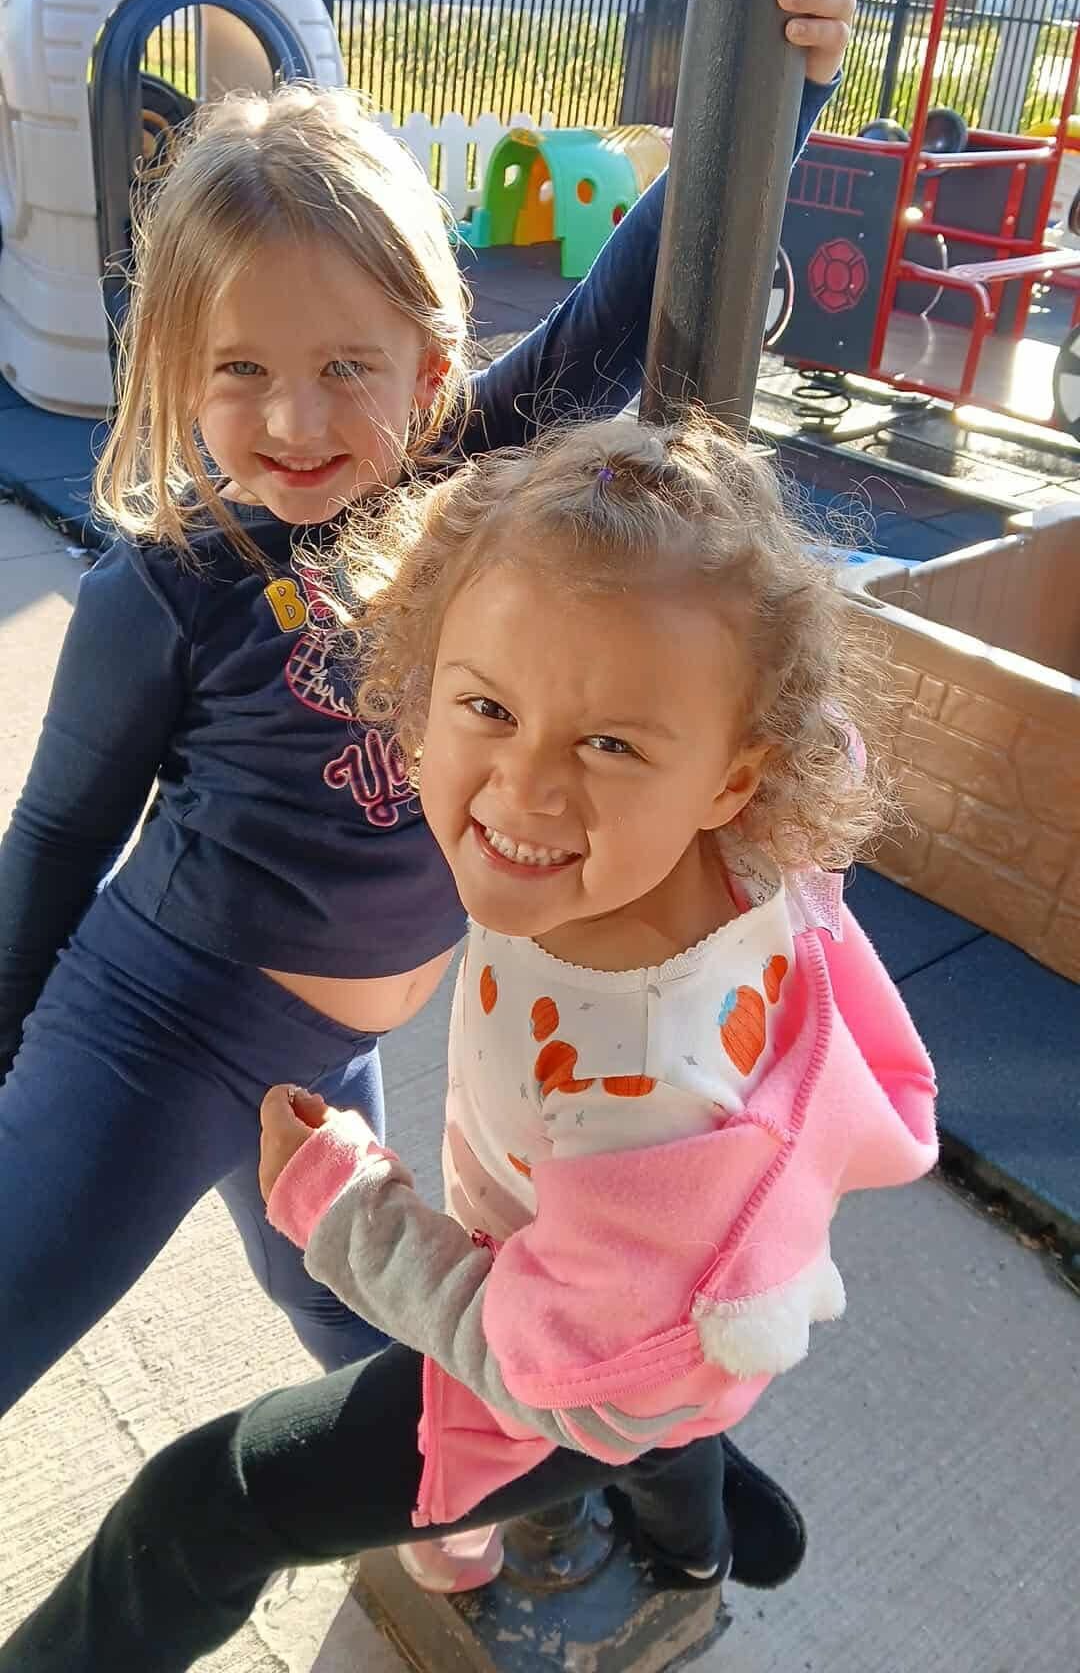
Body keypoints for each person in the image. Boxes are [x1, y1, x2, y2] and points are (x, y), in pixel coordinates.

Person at [0, 0, 858, 1419]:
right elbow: (58, 838)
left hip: (339, 1063)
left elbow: (634, 299)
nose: (299, 421)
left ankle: (449, 1516)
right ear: (176, 376)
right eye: (241, 373)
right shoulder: (174, 590)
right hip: (155, 1033)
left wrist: (783, 79)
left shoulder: (470, 493)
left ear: (434, 365)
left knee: (378, 1344)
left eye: (348, 369)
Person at [0, 411, 938, 1672]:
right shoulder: (717, 836)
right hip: (655, 1302)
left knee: (204, 1507)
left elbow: (562, 1370)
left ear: (731, 773)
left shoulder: (652, 1100)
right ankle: (702, 1546)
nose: (524, 791)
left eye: (611, 743)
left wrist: (343, 1202)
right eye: (487, 706)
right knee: (678, 1420)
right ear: (418, 683)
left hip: (584, 1351)